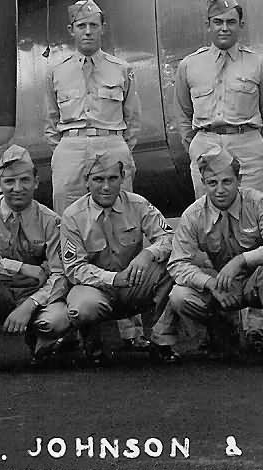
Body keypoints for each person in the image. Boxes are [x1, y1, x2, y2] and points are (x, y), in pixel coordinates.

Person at [44, 0, 147, 349]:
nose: (88, 31)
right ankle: (73, 323)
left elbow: (133, 121)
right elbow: (49, 123)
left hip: (111, 140)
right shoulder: (56, 71)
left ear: (103, 29)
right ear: (71, 31)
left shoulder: (121, 69)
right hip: (71, 146)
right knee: (67, 230)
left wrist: (115, 146)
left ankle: (132, 326)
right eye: (81, 26)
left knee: (125, 228)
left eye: (94, 25)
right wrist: (71, 146)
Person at [156, 145, 263, 364]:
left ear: (239, 180)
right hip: (220, 285)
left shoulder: (258, 203)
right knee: (180, 295)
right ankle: (220, 328)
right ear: (203, 184)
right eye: (212, 183)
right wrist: (209, 283)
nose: (220, 190)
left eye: (227, 182)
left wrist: (241, 260)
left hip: (253, 281)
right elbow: (178, 263)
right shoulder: (193, 215)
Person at [0, 145, 71, 375]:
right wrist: (23, 267)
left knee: (58, 320)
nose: (17, 188)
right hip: (2, 294)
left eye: (25, 180)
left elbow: (60, 274)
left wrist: (29, 306)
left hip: (37, 297)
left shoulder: (51, 221)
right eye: (9, 182)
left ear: (36, 182)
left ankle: (39, 337)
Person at [61, 149, 176, 366]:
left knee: (175, 268)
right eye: (98, 179)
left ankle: (162, 342)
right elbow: (74, 268)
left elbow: (169, 237)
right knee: (83, 306)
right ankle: (92, 345)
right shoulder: (72, 217)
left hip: (134, 283)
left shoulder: (138, 204)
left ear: (123, 178)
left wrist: (147, 254)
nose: (106, 186)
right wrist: (113, 279)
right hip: (97, 288)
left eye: (113, 178)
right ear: (86, 181)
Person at [172, 0, 263, 198]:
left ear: (241, 25)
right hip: (206, 146)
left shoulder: (258, 64)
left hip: (248, 149)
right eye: (218, 22)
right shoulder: (189, 65)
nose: (224, 28)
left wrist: (259, 149)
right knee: (209, 220)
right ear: (208, 25)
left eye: (231, 22)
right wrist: (196, 146)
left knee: (251, 215)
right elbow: (182, 113)